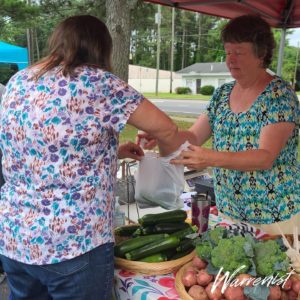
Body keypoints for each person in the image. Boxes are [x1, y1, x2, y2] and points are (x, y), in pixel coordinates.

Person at [0, 15, 186, 300]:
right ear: (101, 48)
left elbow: (43, 144)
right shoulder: (98, 83)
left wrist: (112, 151)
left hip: (15, 239)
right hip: (74, 244)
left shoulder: (18, 81)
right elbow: (166, 127)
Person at [140, 14, 299, 235]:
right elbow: (194, 137)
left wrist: (210, 158)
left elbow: (265, 157)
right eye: (228, 52)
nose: (230, 60)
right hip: (230, 210)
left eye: (239, 53)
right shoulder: (222, 93)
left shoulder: (279, 95)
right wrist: (162, 136)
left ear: (261, 54)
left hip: (275, 215)